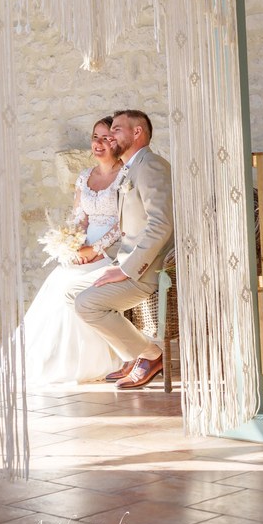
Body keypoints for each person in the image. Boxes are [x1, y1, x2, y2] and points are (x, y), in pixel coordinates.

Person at [67, 109, 174, 390]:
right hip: (123, 261)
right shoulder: (131, 167)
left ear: (137, 132)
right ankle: (135, 355)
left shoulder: (151, 166)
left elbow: (161, 225)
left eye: (116, 130)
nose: (110, 136)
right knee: (69, 292)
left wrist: (126, 270)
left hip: (147, 271)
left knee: (86, 304)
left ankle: (150, 355)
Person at [24, 117, 124, 385]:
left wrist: (97, 249)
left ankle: (91, 360)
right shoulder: (84, 176)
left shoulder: (125, 176)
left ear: (117, 142)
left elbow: (123, 222)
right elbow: (79, 216)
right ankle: (53, 358)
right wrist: (73, 243)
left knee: (78, 287)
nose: (99, 143)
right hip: (84, 247)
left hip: (114, 249)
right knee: (58, 280)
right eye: (95, 137)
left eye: (106, 138)